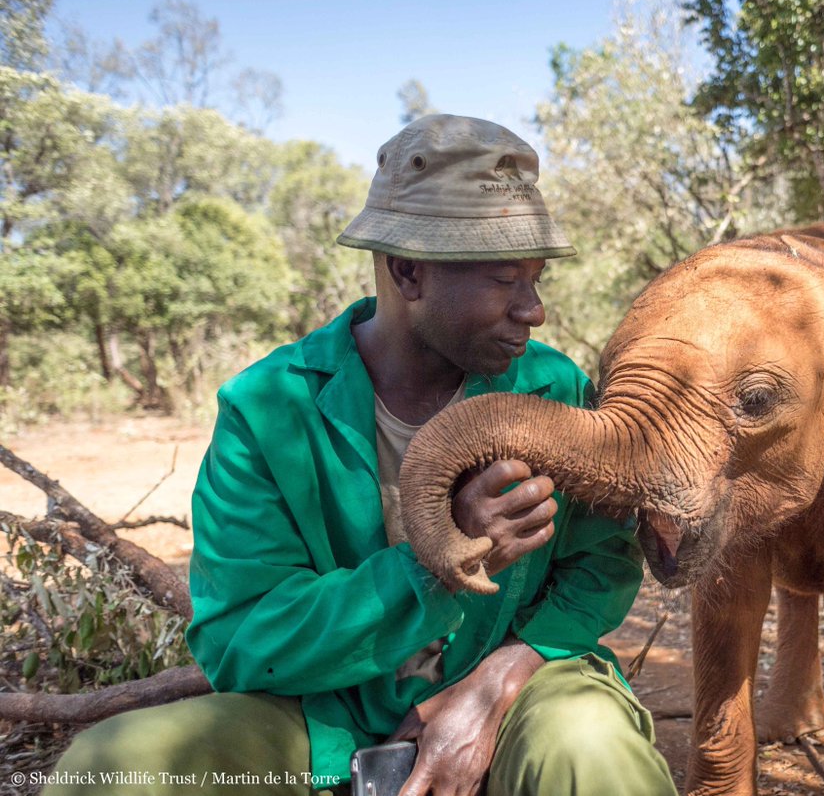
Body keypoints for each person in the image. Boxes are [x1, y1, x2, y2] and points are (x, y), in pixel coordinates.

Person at [45, 115, 676, 796]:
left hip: (512, 697)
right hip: (320, 717)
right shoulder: (267, 411)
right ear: (407, 271)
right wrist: (434, 565)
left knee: (591, 746)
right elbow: (242, 641)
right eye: (504, 279)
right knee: (111, 765)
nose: (535, 309)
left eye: (537, 278)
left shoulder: (550, 389)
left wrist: (498, 681)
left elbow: (603, 563)